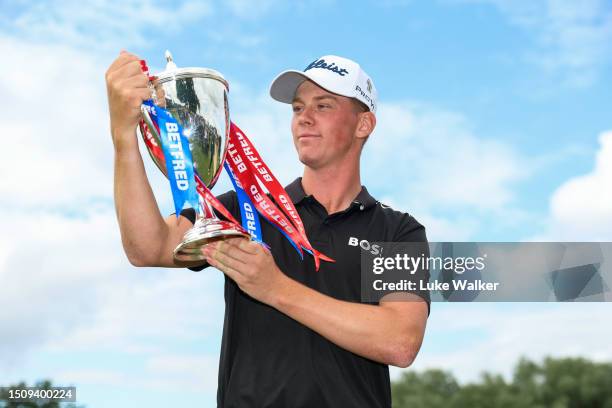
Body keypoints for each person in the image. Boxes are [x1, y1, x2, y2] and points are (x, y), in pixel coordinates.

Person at [105, 51, 429, 407]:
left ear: (363, 124)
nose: (304, 118)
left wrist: (275, 288)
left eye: (323, 106)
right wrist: (123, 137)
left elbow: (400, 341)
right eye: (297, 108)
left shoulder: (398, 230)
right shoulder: (243, 209)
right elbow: (146, 248)